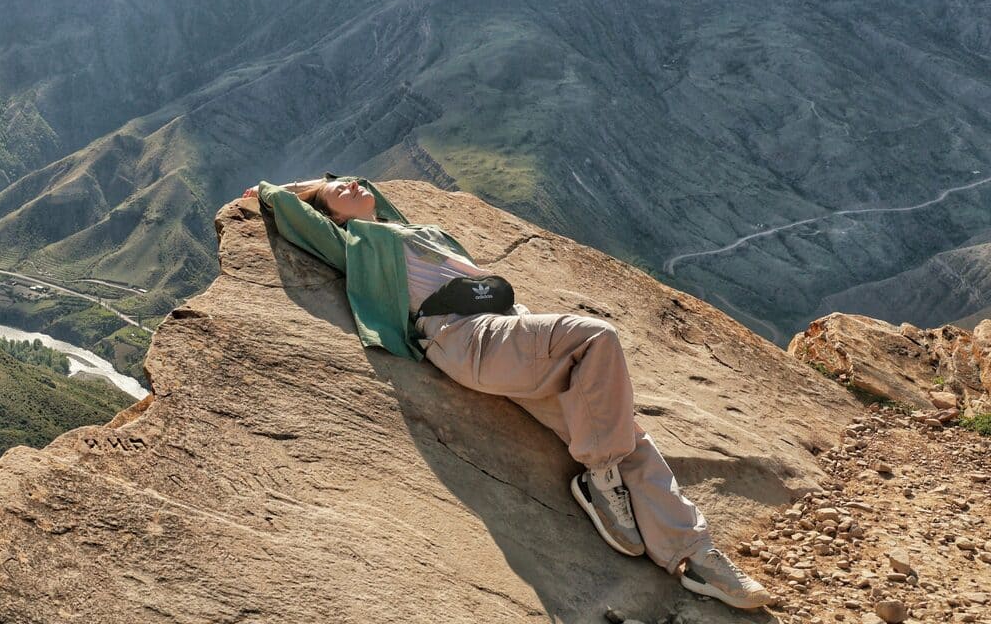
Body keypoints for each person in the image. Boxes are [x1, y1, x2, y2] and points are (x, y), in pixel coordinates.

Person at [245, 175, 773, 611]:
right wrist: (291, 189)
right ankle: (599, 479)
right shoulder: (354, 243)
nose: (354, 182)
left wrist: (344, 189)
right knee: (596, 336)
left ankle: (696, 556)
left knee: (624, 431)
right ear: (332, 215)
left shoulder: (410, 229)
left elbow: (378, 201)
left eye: (355, 179)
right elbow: (291, 208)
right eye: (340, 188)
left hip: (509, 334)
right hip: (465, 337)